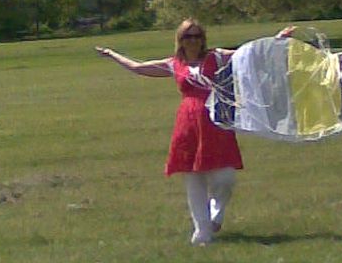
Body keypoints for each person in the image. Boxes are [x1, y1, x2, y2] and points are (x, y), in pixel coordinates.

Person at [95, 19, 294, 246]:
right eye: (188, 36)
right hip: (188, 125)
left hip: (216, 121)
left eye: (198, 35)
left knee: (225, 177)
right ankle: (202, 232)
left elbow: (248, 54)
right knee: (194, 178)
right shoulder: (173, 64)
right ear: (180, 40)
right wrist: (112, 55)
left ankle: (215, 212)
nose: (194, 40)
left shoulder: (216, 57)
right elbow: (139, 68)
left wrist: (278, 40)